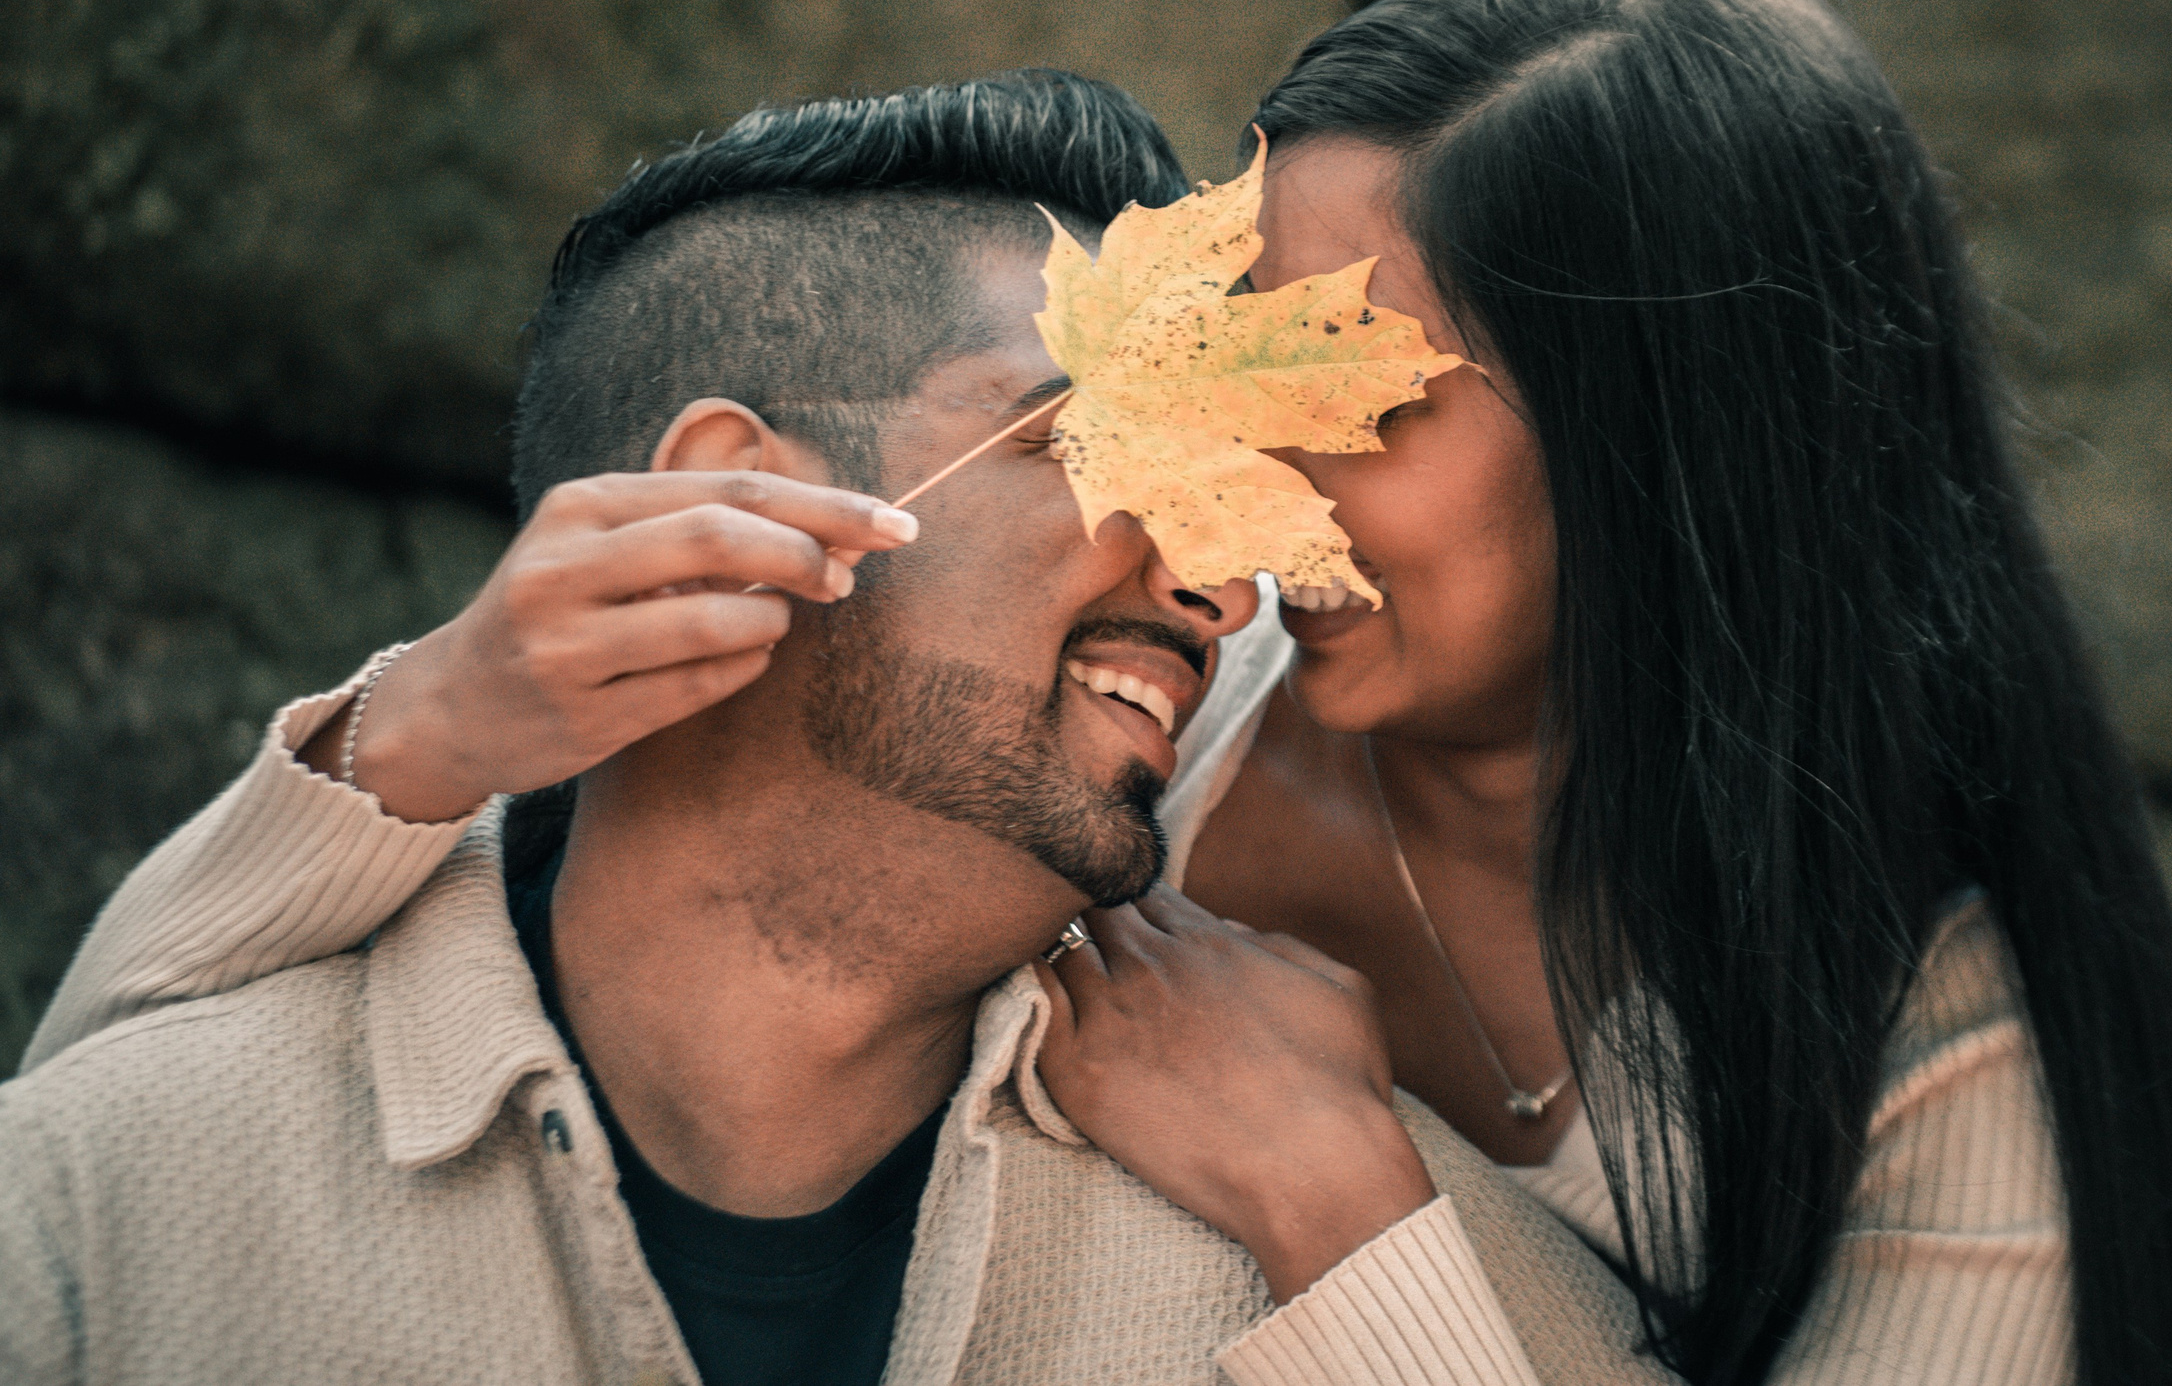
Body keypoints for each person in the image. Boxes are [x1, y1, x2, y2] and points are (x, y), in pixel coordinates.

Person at [26, 0, 2172, 1386]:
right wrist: (408, 738)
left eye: (1350, 396)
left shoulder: (1933, 1051)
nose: (1213, 498)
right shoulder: (1122, 738)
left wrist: (1335, 1197)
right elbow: (103, 1162)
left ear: (1675, 464)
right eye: (1209, 363)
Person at [0, 71, 1664, 1386]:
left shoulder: (1374, 1243)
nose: (1225, 585)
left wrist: (1356, 1241)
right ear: (740, 500)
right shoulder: (113, 1203)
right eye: (1100, 444)